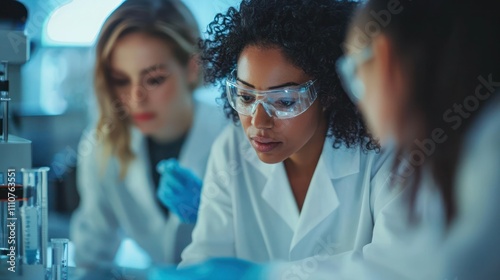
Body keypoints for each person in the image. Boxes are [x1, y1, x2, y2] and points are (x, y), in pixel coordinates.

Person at [177, 0, 430, 273]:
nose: (258, 122)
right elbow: (203, 261)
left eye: (284, 101)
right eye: (246, 96)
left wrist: (264, 276)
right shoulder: (231, 149)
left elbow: (400, 268)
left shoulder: (382, 154)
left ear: (328, 93)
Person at [337, 0, 500, 278]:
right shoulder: (443, 155)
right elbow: (396, 264)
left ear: (383, 56)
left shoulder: (490, 149)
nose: (358, 104)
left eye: (355, 76)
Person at [69, 0, 227, 268]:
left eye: (154, 79)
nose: (135, 98)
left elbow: (275, 251)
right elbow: (90, 257)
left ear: (191, 67)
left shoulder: (238, 137)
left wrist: (216, 218)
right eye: (121, 80)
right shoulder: (102, 145)